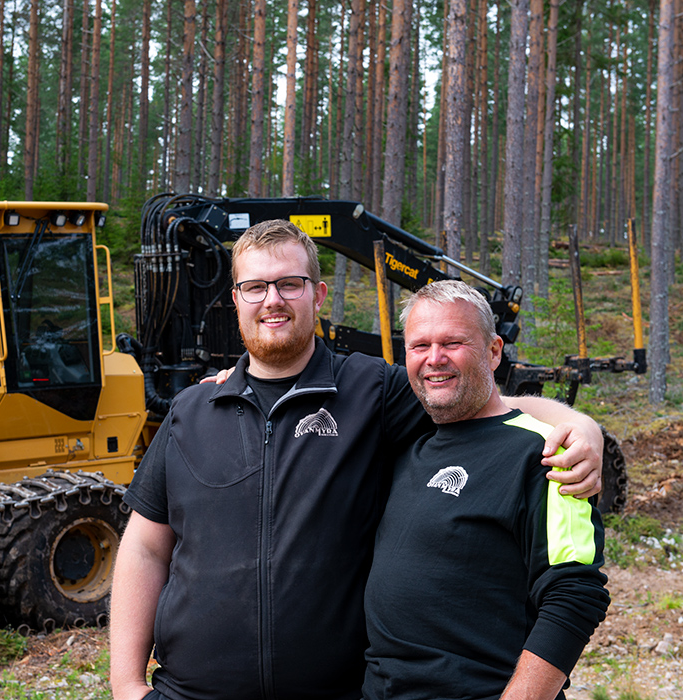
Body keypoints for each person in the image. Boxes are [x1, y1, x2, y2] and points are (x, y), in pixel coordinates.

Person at [110, 220, 603, 700]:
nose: (273, 299)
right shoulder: (191, 411)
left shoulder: (373, 392)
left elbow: (476, 403)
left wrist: (582, 429)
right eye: (256, 286)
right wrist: (126, 685)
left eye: (290, 283)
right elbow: (145, 549)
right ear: (236, 298)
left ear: (319, 294)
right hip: (191, 692)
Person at [363, 280, 609, 700]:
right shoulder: (406, 445)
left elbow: (575, 593)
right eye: (419, 345)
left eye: (453, 342)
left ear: (494, 351)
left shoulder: (543, 452)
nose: (434, 359)